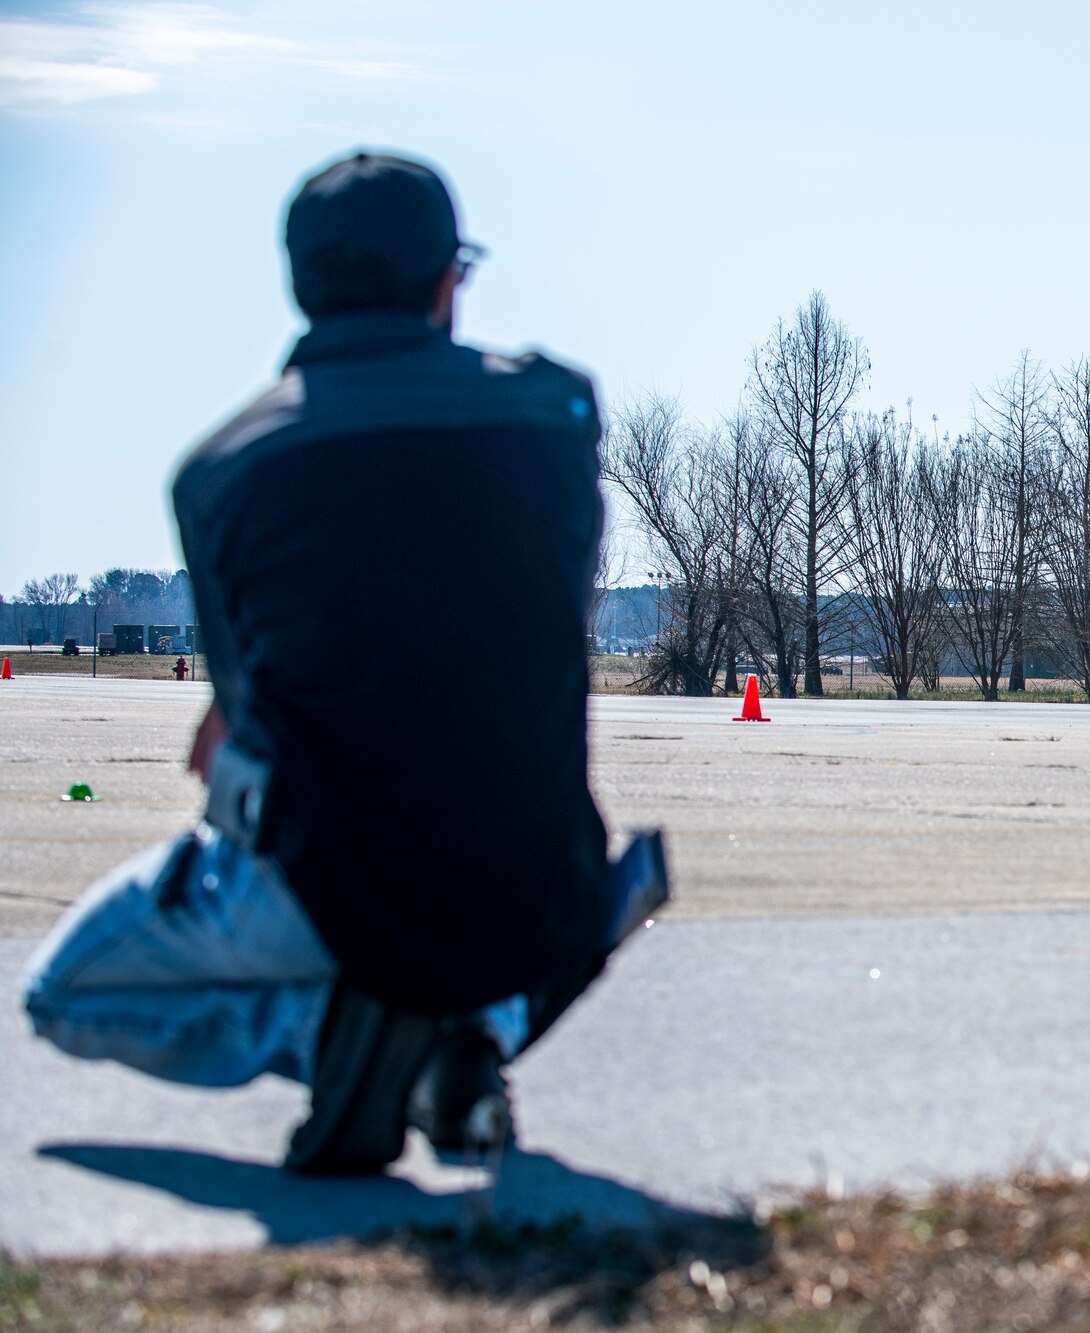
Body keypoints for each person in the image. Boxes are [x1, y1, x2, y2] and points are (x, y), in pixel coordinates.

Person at [19, 151, 667, 1175]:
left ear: (297, 283)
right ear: (447, 280)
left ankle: (352, 1042)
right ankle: (460, 1034)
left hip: (329, 878)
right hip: (540, 879)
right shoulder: (557, 416)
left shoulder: (223, 467)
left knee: (63, 995)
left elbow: (241, 720)